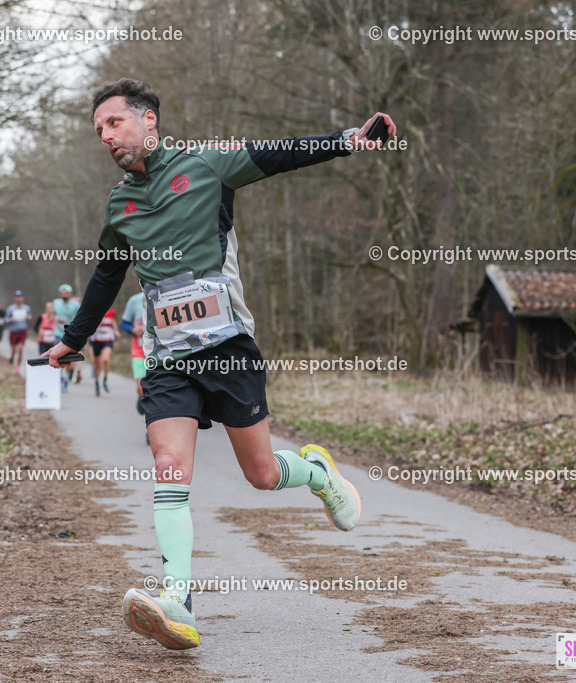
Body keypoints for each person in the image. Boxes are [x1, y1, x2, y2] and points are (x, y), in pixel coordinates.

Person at [42, 78, 393, 650]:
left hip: (227, 348)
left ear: (148, 119)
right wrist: (71, 338)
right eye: (99, 130)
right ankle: (177, 602)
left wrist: (352, 139)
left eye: (115, 123)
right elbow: (108, 276)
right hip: (168, 361)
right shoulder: (119, 204)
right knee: (168, 465)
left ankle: (318, 474)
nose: (107, 137)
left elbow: (281, 155)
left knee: (262, 475)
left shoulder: (207, 165)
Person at [121, 291, 149, 441]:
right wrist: (132, 329)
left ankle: (149, 430)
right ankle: (142, 396)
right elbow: (124, 322)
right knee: (141, 387)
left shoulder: (166, 294)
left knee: (155, 391)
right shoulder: (134, 300)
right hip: (138, 352)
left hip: (160, 354)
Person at [52, 284, 83, 385]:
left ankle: (67, 375)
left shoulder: (75, 305)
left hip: (69, 334)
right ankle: (60, 377)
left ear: (70, 293)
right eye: (62, 292)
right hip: (57, 333)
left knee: (68, 359)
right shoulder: (56, 303)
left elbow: (78, 318)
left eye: (66, 292)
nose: (64, 294)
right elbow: (52, 315)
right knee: (58, 356)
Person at [90, 307, 118, 396]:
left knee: (105, 359)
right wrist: (97, 323)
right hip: (96, 340)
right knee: (96, 364)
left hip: (108, 339)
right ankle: (97, 382)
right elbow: (88, 325)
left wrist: (116, 330)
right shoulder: (94, 310)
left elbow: (113, 321)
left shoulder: (112, 312)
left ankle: (105, 380)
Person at [5, 291, 32, 372]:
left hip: (22, 331)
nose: (18, 299)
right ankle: (12, 357)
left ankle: (18, 367)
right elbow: (6, 319)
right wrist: (10, 319)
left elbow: (30, 316)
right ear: (15, 298)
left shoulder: (26, 308)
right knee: (14, 349)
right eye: (17, 297)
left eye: (20, 297)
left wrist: (29, 317)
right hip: (13, 331)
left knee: (20, 349)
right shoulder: (10, 309)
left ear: (22, 298)